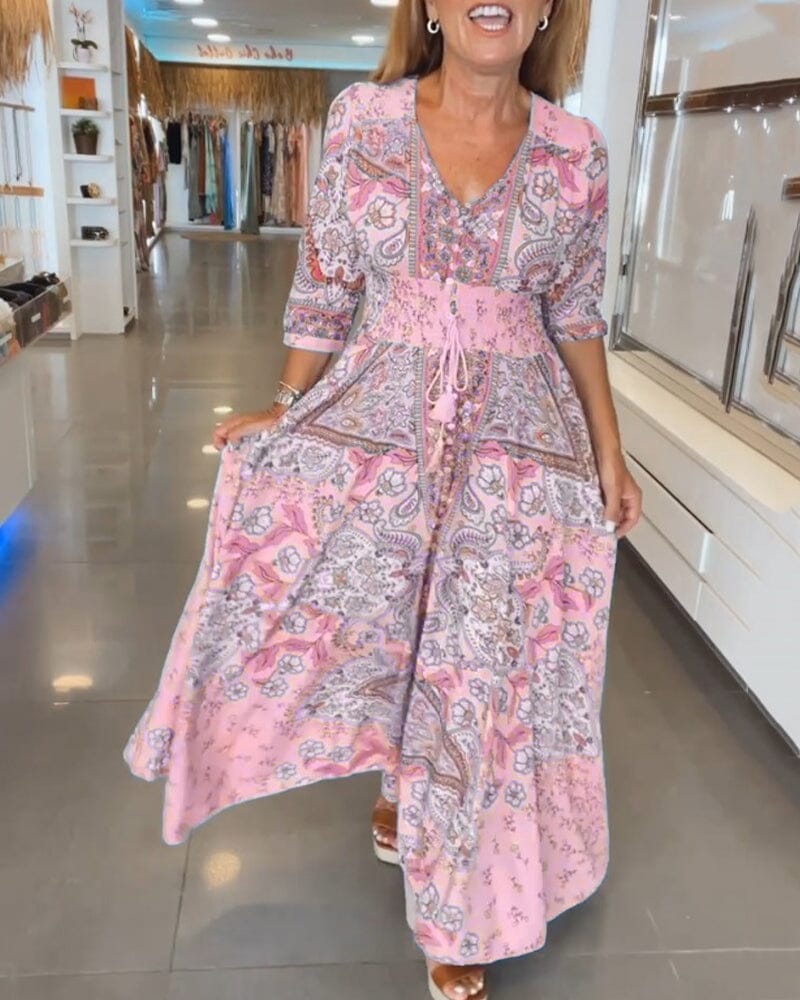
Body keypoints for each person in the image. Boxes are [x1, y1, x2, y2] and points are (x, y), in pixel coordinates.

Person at [125, 1, 643, 996]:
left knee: (478, 663)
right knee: (389, 619)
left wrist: (608, 453)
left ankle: (459, 906)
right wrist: (286, 408)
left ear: (545, 9)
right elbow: (325, 281)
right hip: (382, 413)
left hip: (515, 446)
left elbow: (576, 313)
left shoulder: (577, 151)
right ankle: (403, 785)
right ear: (431, 7)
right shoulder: (364, 121)